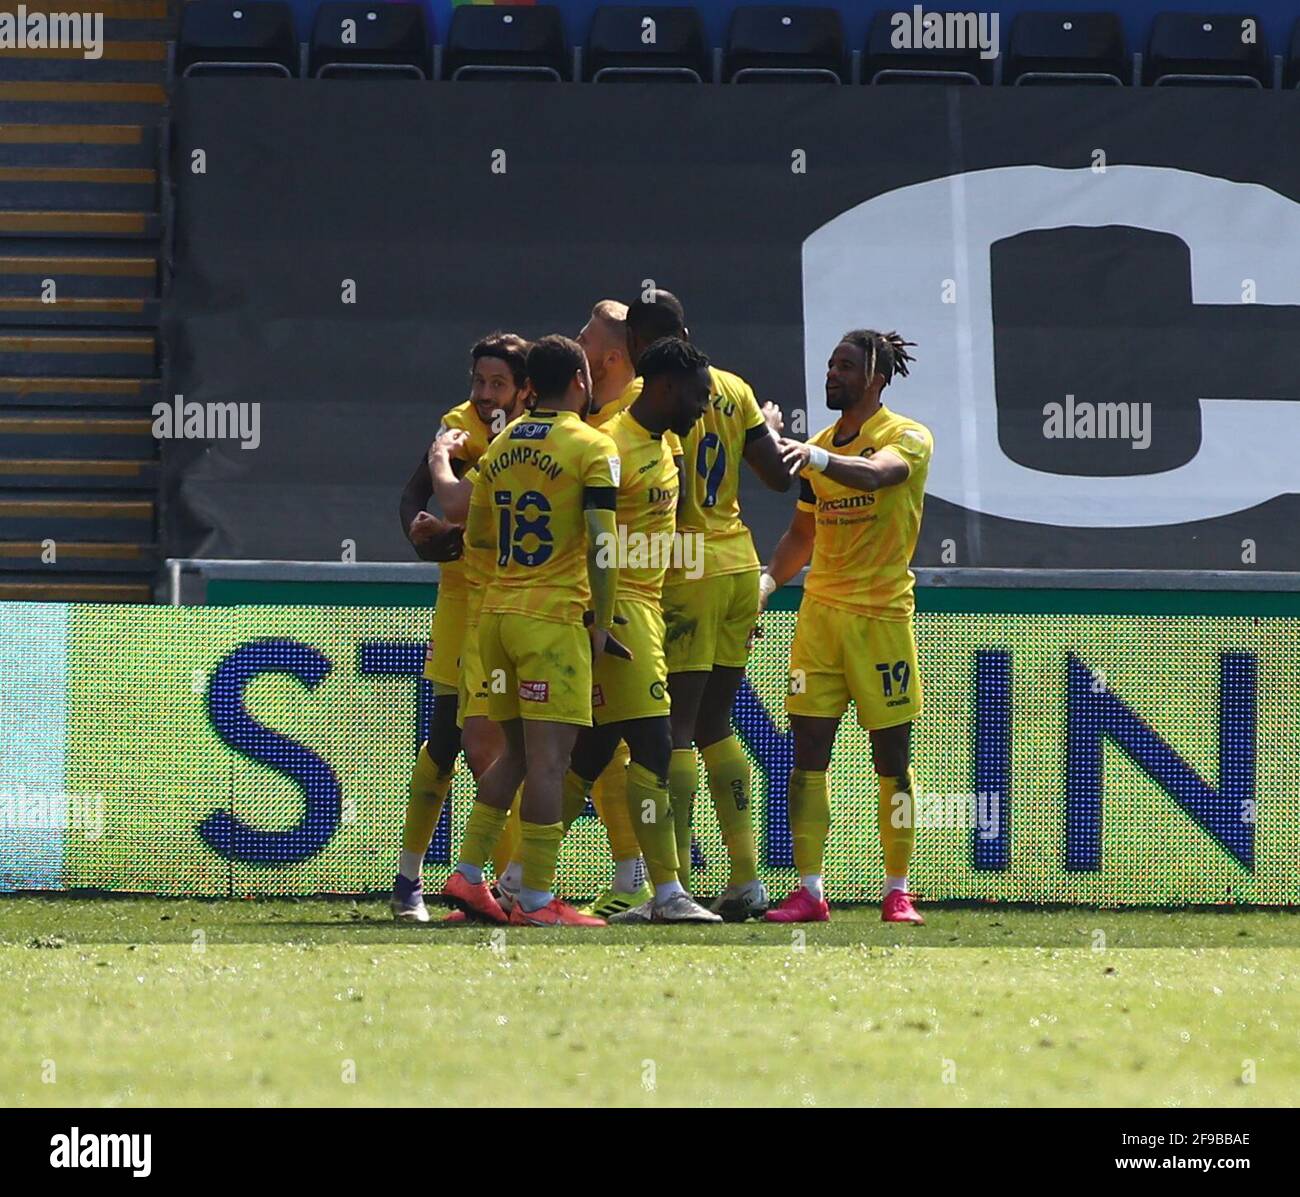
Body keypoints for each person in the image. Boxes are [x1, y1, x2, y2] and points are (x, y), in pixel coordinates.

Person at [760, 330, 931, 925]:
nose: (832, 374)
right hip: (819, 620)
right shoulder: (818, 449)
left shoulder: (907, 436)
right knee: (807, 755)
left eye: (846, 366)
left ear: (876, 376)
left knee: (892, 759)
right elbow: (801, 537)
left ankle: (898, 889)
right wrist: (763, 587)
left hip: (881, 619)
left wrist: (816, 457)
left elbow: (879, 475)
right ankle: (809, 890)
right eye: (831, 365)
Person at [390, 333, 530, 922]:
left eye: (497, 384)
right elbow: (418, 499)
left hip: (512, 602)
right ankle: (421, 882)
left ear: (525, 389)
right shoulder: (458, 427)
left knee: (499, 747)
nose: (484, 394)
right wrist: (425, 539)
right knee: (455, 741)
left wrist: (451, 530)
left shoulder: (537, 434)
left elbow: (486, 516)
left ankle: (497, 885)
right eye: (478, 381)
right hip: (463, 601)